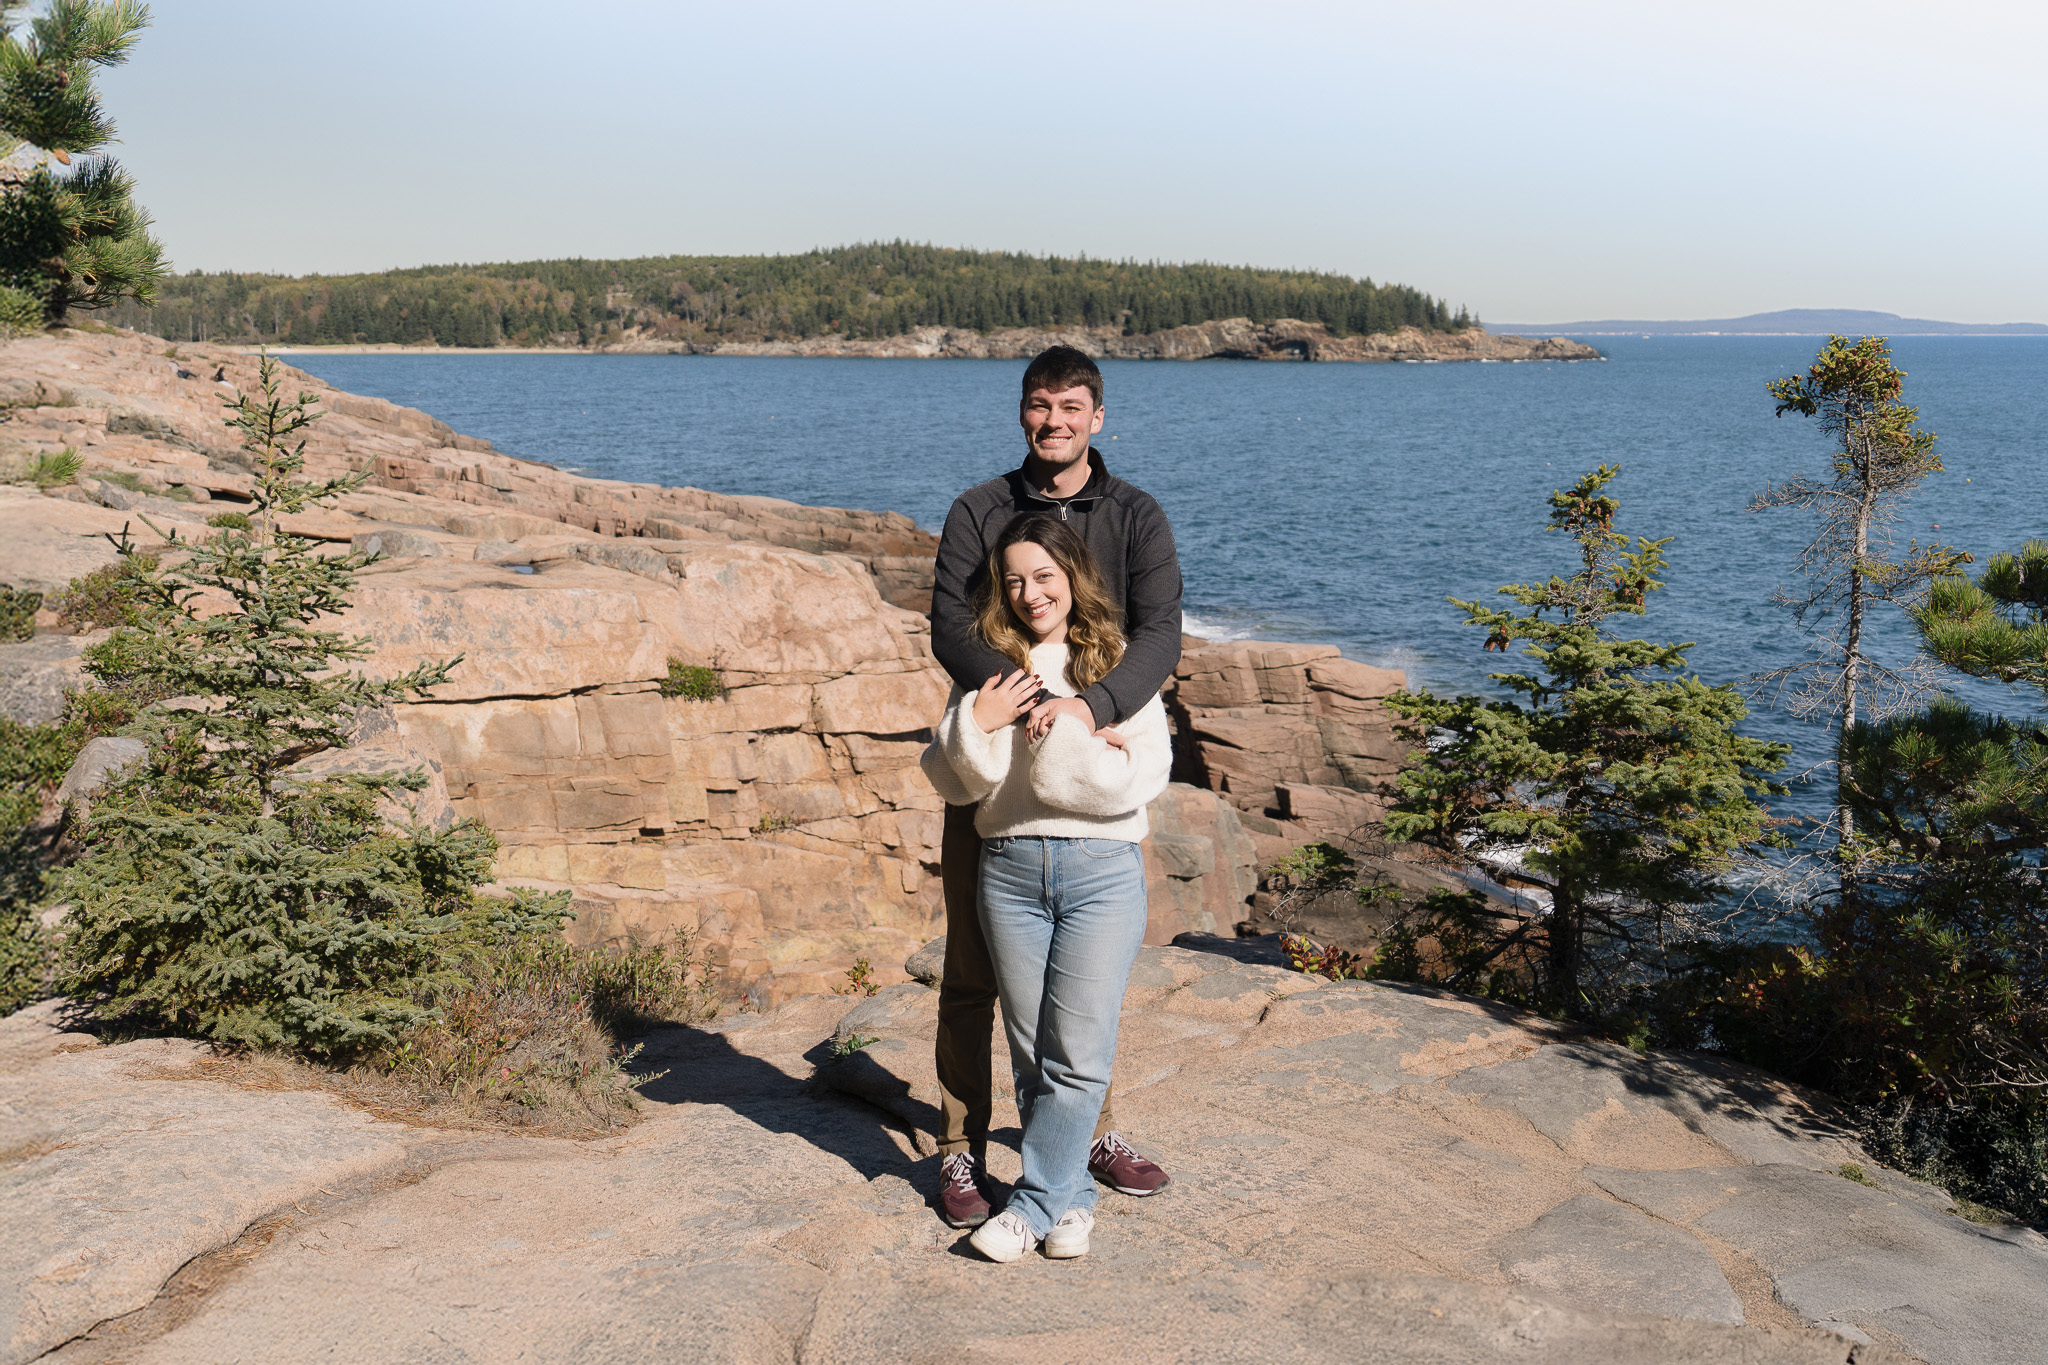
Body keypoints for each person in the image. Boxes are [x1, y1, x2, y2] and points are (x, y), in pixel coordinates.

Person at [927, 345, 1184, 1229]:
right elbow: (950, 631)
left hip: (1088, 772)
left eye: (1071, 406)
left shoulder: (1135, 515)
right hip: (994, 776)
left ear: (1098, 416)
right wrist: (1028, 695)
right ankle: (961, 1142)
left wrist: (1094, 705)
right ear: (1022, 412)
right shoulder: (980, 509)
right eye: (1040, 405)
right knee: (971, 971)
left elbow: (1161, 634)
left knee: (1080, 989)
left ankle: (1079, 1140)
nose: (1054, 421)